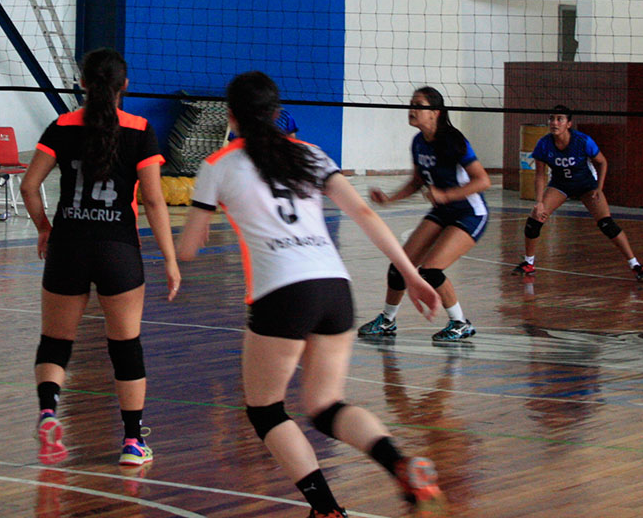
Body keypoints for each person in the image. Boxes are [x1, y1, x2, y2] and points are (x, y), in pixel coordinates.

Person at [176, 71, 446, 518]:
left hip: (281, 292)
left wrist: (201, 228)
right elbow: (361, 211)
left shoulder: (218, 165)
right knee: (326, 406)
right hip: (334, 288)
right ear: (278, 113)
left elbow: (188, 249)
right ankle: (400, 463)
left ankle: (326, 510)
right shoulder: (312, 154)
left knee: (265, 410)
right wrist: (410, 274)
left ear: (230, 116)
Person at [19, 48, 181, 467]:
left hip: (68, 245)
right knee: (125, 346)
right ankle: (131, 442)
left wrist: (43, 228)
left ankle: (50, 410)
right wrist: (170, 258)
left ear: (84, 85)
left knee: (55, 341)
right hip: (118, 250)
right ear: (124, 86)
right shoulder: (140, 129)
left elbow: (29, 185)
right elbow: (153, 201)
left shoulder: (62, 125)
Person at [359, 86, 490, 342]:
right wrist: (389, 198)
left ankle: (460, 323)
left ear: (435, 113)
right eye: (411, 104)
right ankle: (387, 321)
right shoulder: (419, 142)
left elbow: (483, 180)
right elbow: (417, 181)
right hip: (442, 211)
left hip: (470, 213)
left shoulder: (454, 141)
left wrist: (446, 195)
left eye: (418, 105)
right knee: (400, 267)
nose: (412, 109)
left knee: (430, 271)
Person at [514, 105, 643, 281]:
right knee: (535, 219)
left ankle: (635, 264)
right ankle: (529, 263)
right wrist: (539, 201)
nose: (554, 122)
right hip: (561, 185)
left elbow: (603, 162)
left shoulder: (582, 141)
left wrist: (599, 187)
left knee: (607, 225)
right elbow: (539, 175)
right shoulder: (544, 143)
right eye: (551, 118)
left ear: (569, 124)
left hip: (586, 185)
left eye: (560, 119)